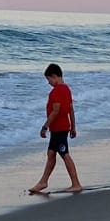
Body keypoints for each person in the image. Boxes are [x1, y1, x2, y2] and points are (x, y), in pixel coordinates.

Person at [29, 63, 83, 193]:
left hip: (59, 129)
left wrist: (44, 126)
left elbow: (56, 111)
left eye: (49, 79)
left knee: (64, 154)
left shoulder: (57, 91)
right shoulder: (67, 89)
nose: (49, 83)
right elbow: (71, 110)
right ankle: (43, 182)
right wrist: (73, 127)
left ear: (54, 76)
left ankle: (76, 184)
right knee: (51, 154)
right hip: (62, 128)